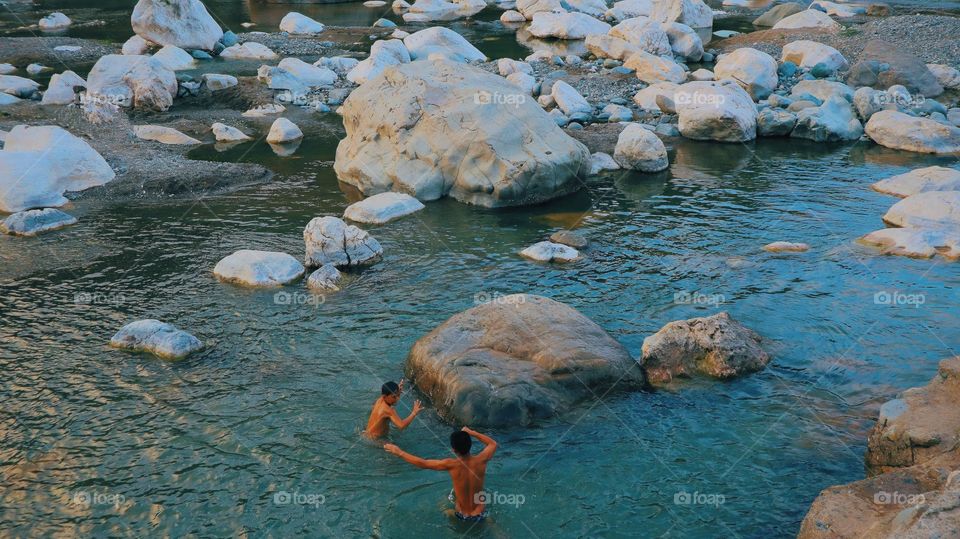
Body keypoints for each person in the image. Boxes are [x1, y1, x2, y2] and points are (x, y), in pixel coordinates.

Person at [384, 427, 497, 522]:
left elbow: (423, 463)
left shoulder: (450, 464)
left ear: (453, 449)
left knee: (442, 506)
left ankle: (448, 513)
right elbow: (492, 443)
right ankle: (490, 523)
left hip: (462, 515)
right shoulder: (482, 460)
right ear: (470, 444)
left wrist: (399, 452)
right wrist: (472, 432)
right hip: (480, 513)